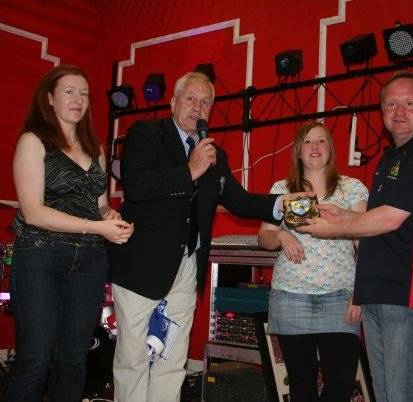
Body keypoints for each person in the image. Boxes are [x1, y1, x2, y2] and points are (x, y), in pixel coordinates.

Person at [107, 72, 295, 402]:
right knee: (133, 357)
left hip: (187, 268)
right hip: (141, 267)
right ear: (174, 102)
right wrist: (190, 171)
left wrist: (283, 204)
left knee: (172, 357)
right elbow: (136, 187)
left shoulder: (214, 154)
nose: (198, 107)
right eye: (191, 99)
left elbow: (239, 200)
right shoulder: (145, 134)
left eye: (205, 102)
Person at [299, 71, 413, 402]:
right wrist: (346, 215)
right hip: (377, 295)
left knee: (403, 395)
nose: (398, 111)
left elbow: (390, 219)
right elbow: (386, 217)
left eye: (409, 103)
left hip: (409, 297)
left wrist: (331, 229)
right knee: (385, 396)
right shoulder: (391, 159)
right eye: (391, 104)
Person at [5, 64, 134, 402]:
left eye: (84, 93)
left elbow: (100, 204)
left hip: (90, 261)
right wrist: (97, 226)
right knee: (35, 358)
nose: (79, 99)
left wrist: (112, 218)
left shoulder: (97, 149)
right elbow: (32, 212)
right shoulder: (33, 141)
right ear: (49, 98)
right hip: (41, 255)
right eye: (69, 91)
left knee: (74, 360)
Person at [257, 121, 368, 402]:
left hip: (341, 298)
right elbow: (264, 237)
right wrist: (281, 236)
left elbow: (365, 242)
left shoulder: (352, 189)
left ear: (331, 149)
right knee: (301, 385)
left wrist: (361, 293)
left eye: (321, 141)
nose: (315, 147)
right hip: (291, 296)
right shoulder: (282, 188)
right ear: (298, 150)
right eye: (308, 141)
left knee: (341, 383)